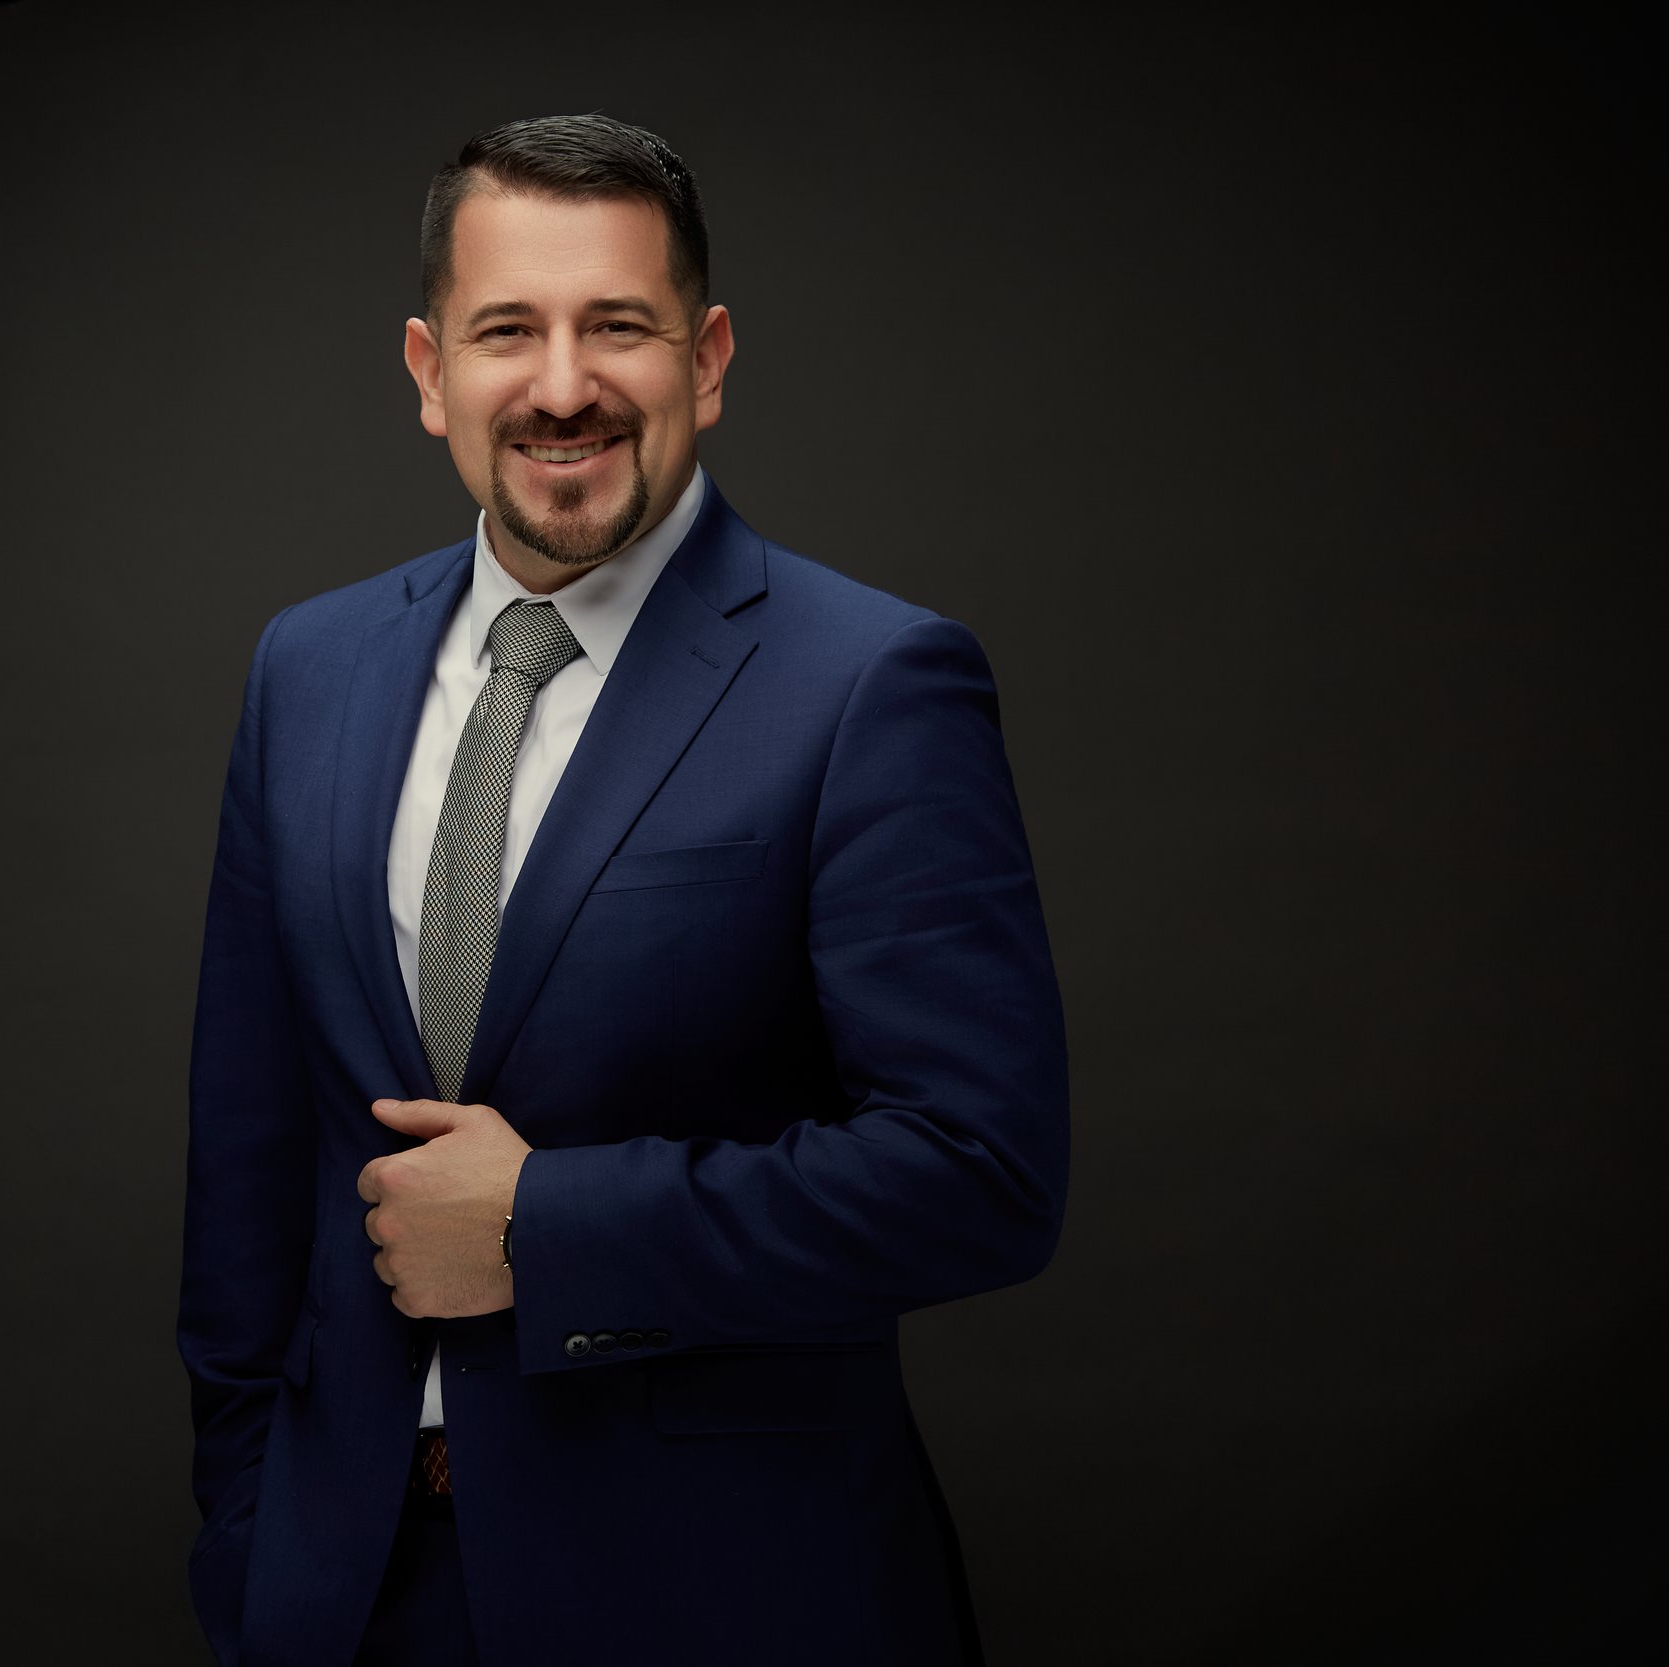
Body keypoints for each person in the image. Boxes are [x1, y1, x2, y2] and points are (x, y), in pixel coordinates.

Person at [177, 112, 1069, 1667]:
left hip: (725, 1600)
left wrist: (544, 1226)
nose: (564, 385)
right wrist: (252, 1540)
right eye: (507, 330)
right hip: (351, 1592)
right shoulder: (305, 670)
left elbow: (978, 1173)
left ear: (707, 360)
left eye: (621, 328)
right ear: (427, 370)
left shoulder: (870, 683)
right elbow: (248, 1170)